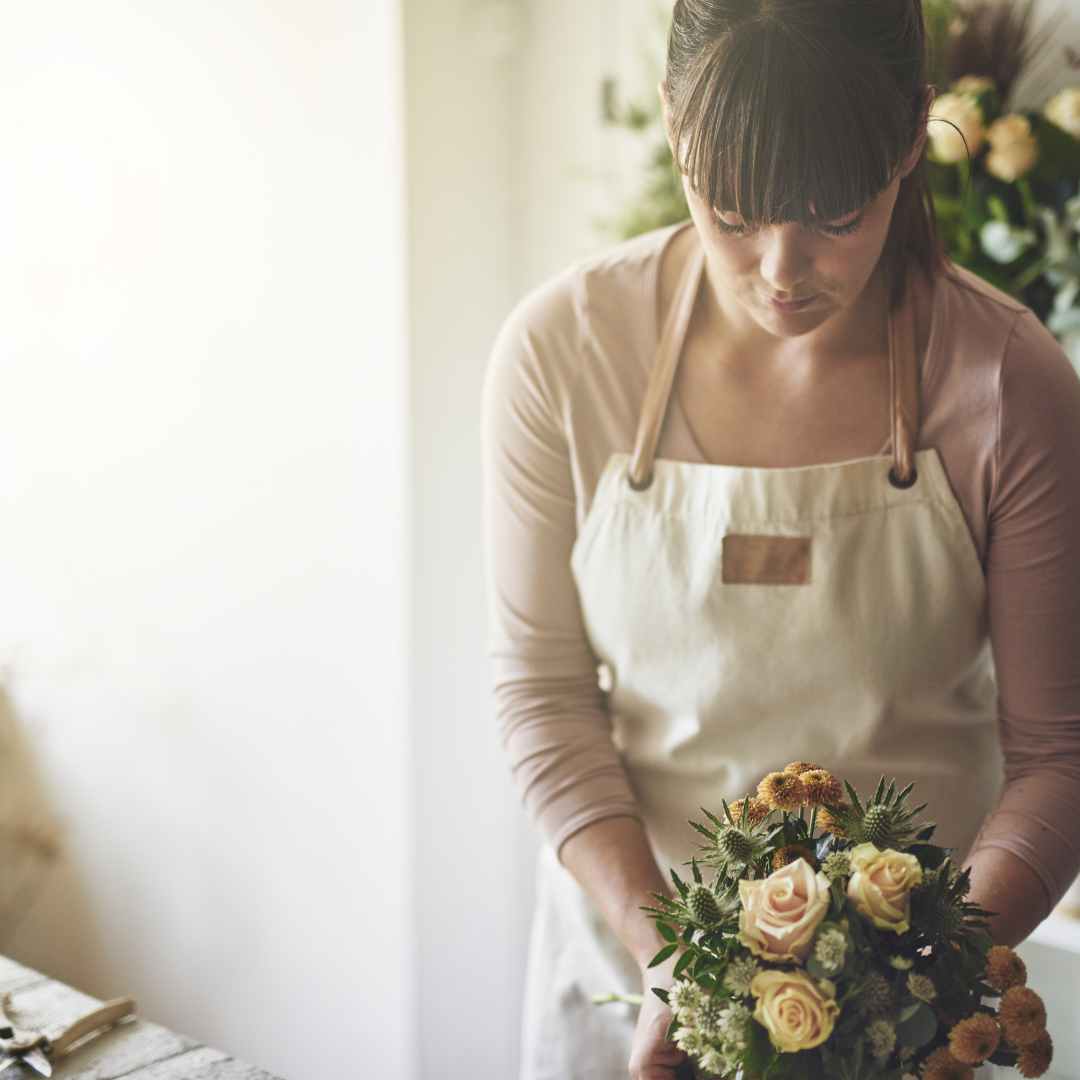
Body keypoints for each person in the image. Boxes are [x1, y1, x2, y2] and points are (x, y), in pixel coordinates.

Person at [480, 1, 1080, 1077]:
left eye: (835, 217)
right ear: (674, 123)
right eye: (734, 212)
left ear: (911, 135)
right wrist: (673, 961)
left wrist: (926, 978)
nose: (780, 270)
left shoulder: (1008, 383)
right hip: (633, 976)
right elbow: (545, 696)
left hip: (917, 1018)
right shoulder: (563, 357)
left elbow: (1059, 755)